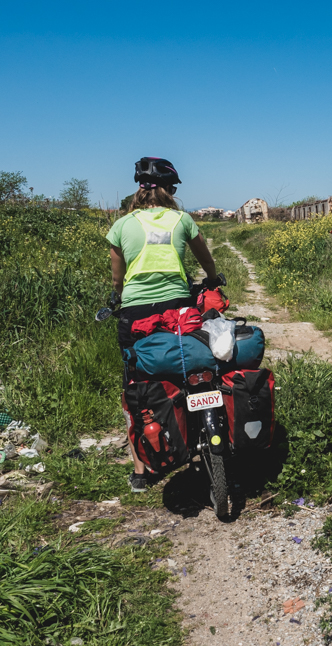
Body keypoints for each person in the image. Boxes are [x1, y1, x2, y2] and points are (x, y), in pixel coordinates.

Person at [106, 156, 219, 492]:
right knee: (187, 362)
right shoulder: (182, 220)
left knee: (136, 381)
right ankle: (199, 432)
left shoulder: (122, 226)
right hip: (177, 308)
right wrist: (213, 279)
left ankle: (142, 470)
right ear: (170, 190)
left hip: (135, 313)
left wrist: (118, 297)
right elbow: (206, 260)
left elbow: (117, 279)